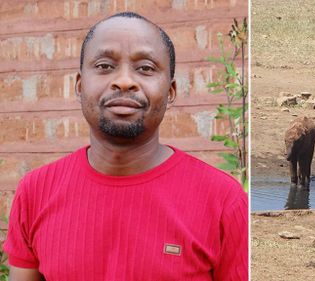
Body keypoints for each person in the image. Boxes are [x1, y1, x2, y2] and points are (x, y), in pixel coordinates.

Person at [3, 12, 248, 281]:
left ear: (170, 92)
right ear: (79, 85)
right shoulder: (35, 192)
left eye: (145, 68)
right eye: (105, 66)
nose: (124, 81)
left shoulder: (223, 200)